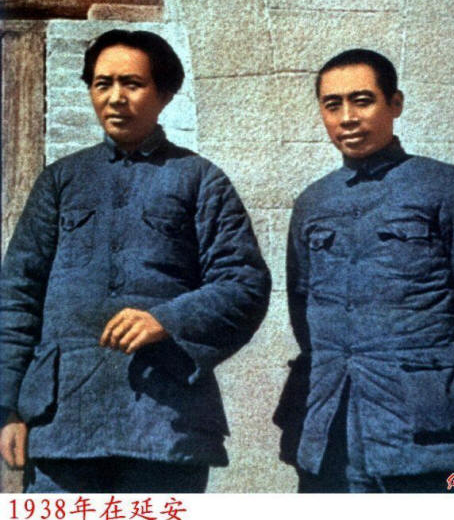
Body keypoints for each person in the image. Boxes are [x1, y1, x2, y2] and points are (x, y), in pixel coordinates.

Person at [0, 29, 271, 493]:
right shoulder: (61, 181)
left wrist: (167, 319)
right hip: (62, 422)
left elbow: (244, 285)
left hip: (165, 421)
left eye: (132, 84)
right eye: (102, 84)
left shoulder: (200, 180)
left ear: (164, 94)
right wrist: (8, 407)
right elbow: (17, 295)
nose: (116, 98)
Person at [274, 48, 454, 493]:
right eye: (332, 105)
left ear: (396, 104)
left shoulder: (450, 189)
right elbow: (303, 309)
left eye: (362, 100)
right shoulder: (314, 203)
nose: (347, 118)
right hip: (335, 429)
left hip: (435, 434)